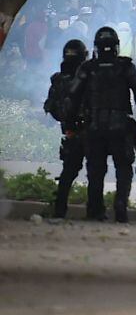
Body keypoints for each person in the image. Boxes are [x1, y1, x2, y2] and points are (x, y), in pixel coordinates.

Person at [66, 27, 136, 222]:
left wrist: (70, 125)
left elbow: (73, 97)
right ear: (116, 46)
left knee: (96, 170)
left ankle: (95, 209)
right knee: (123, 168)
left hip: (94, 126)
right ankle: (120, 204)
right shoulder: (125, 67)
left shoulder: (88, 68)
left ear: (96, 47)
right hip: (120, 126)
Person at [43, 39, 88, 219]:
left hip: (71, 131)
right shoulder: (87, 76)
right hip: (89, 129)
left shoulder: (59, 80)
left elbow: (52, 108)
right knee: (95, 170)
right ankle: (95, 210)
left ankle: (59, 210)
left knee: (69, 171)